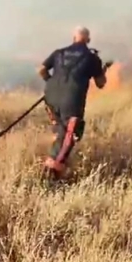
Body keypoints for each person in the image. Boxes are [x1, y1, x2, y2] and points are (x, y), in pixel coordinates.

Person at [37, 26, 113, 179]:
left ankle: (55, 170)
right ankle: (49, 175)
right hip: (71, 100)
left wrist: (51, 83)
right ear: (88, 40)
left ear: (73, 38)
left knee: (60, 132)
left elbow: (41, 70)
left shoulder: (59, 52)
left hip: (50, 98)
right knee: (69, 136)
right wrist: (103, 69)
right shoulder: (92, 58)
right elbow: (100, 83)